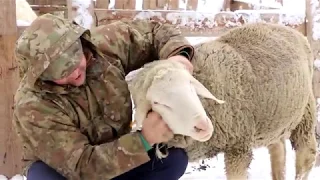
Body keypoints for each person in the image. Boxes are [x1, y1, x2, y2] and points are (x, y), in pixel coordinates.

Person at [13, 13, 195, 180]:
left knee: (173, 160)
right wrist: (143, 140)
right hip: (68, 172)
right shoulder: (33, 106)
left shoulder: (103, 45)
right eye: (62, 71)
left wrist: (178, 58)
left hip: (117, 155)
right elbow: (81, 166)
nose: (75, 71)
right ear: (43, 76)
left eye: (76, 58)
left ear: (80, 44)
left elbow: (153, 32)